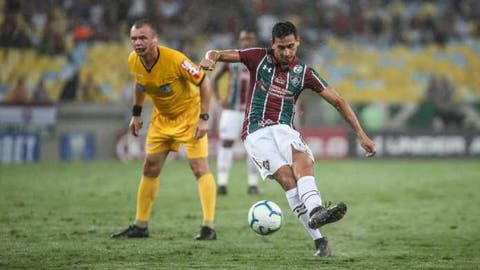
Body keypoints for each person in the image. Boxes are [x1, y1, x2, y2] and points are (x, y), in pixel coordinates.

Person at [200, 21, 376, 256]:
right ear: (273, 44)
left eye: (290, 47)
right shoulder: (257, 57)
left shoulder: (304, 73)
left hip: (285, 128)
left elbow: (338, 101)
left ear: (298, 42)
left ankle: (315, 212)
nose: (286, 52)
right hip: (255, 131)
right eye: (281, 47)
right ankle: (320, 241)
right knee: (287, 179)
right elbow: (218, 53)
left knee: (302, 160)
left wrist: (361, 134)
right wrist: (210, 58)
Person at [112, 19, 217, 240]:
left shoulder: (176, 60)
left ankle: (208, 227)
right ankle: (140, 225)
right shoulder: (134, 60)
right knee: (149, 167)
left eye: (143, 38)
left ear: (154, 40)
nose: (138, 43)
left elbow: (204, 83)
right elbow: (140, 84)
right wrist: (137, 113)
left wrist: (204, 118)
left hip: (189, 117)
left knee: (199, 167)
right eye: (134, 39)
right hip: (162, 119)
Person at [211, 29, 260, 195]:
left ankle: (253, 184)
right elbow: (214, 78)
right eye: (244, 38)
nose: (247, 41)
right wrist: (218, 99)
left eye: (250, 38)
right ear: (240, 40)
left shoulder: (261, 59)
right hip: (231, 110)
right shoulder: (231, 60)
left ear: (255, 40)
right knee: (226, 143)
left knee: (254, 147)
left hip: (252, 111)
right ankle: (222, 183)